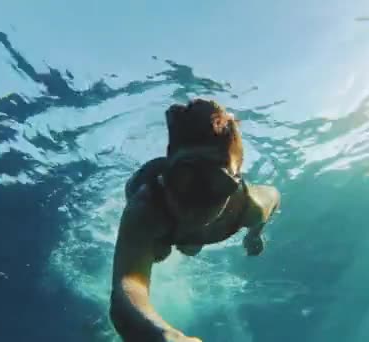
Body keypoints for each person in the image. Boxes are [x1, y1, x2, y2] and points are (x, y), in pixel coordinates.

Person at [109, 99, 280, 342]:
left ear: (236, 180)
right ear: (168, 174)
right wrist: (162, 335)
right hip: (161, 212)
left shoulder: (251, 207)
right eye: (185, 178)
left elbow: (274, 198)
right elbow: (126, 289)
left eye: (217, 182)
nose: (197, 201)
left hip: (180, 218)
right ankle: (164, 238)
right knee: (159, 249)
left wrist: (254, 234)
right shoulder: (147, 208)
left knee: (189, 248)